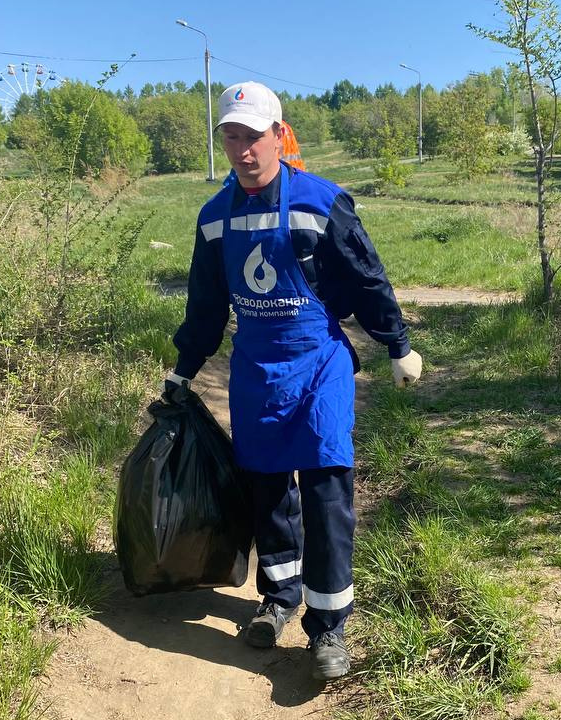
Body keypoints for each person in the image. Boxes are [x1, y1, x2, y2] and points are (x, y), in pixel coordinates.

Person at [165, 81, 423, 681]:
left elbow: (366, 278)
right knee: (266, 484)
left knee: (327, 484)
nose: (242, 150)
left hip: (319, 362)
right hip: (254, 368)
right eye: (230, 136)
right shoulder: (213, 220)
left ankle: (328, 626)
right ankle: (279, 595)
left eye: (253, 137)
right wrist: (185, 368)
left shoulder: (321, 202)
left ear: (279, 136)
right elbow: (204, 306)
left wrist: (397, 344)